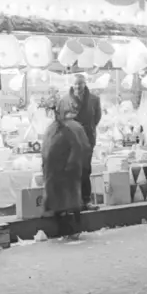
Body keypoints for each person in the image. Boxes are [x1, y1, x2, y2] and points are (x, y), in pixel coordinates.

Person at [41, 103, 91, 238]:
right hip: (55, 172)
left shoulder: (68, 129)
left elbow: (78, 147)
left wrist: (72, 165)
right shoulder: (52, 129)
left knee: (69, 202)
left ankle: (73, 229)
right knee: (61, 203)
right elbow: (46, 149)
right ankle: (65, 229)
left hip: (66, 172)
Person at [61, 76, 102, 208]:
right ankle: (73, 201)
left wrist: (87, 131)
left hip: (87, 140)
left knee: (85, 170)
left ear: (85, 84)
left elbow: (97, 118)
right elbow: (59, 119)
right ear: (72, 85)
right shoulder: (64, 100)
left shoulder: (94, 100)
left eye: (80, 84)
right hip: (70, 141)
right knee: (71, 171)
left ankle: (86, 200)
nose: (78, 87)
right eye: (75, 84)